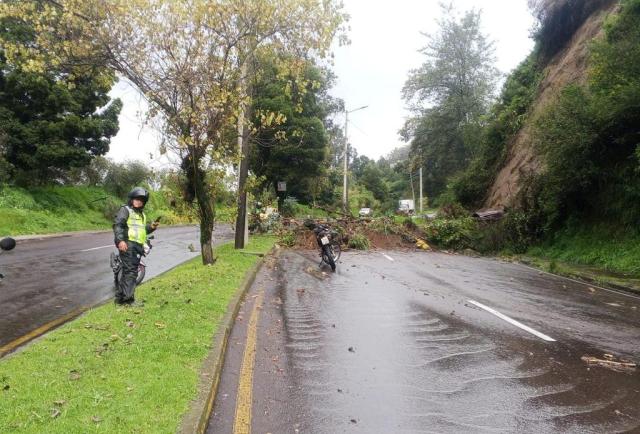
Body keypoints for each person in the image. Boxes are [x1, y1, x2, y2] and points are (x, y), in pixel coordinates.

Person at [113, 187, 159, 306]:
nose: (139, 202)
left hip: (137, 246)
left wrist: (151, 227)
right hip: (128, 244)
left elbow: (141, 230)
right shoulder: (125, 210)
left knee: (128, 271)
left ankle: (120, 298)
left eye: (141, 200)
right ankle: (128, 300)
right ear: (132, 199)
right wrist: (120, 241)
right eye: (137, 199)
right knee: (131, 272)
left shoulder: (142, 215)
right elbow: (118, 226)